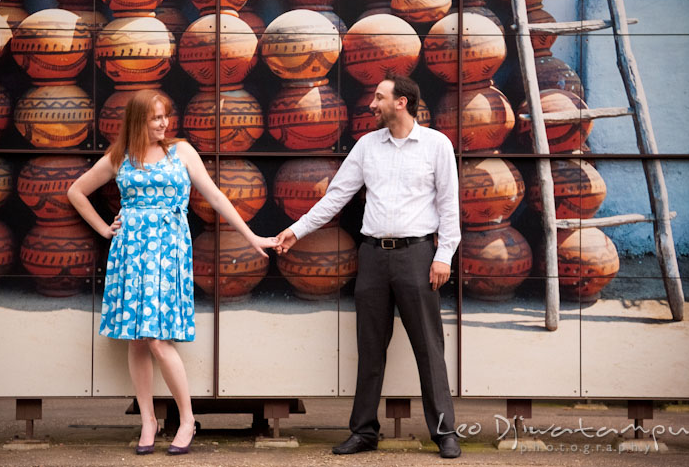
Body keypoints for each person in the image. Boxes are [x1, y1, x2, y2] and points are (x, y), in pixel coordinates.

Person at [68, 89, 276, 456]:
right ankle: (147, 420)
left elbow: (214, 196)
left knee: (157, 341)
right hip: (131, 252)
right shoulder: (120, 156)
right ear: (137, 121)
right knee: (137, 338)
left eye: (165, 116)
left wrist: (251, 235)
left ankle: (186, 419)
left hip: (168, 252)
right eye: (155, 118)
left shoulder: (180, 151)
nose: (164, 123)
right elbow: (76, 191)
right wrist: (104, 229)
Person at [275, 74, 462, 458]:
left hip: (418, 256)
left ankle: (445, 433)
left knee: (429, 347)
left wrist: (444, 255)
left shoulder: (436, 145)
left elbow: (449, 207)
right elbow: (335, 198)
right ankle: (363, 432)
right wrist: (297, 231)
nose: (372, 104)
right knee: (370, 349)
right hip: (373, 256)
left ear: (402, 103)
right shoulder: (366, 146)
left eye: (379, 98)